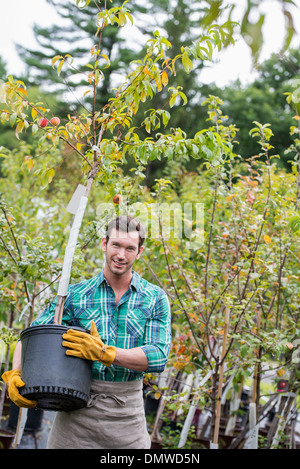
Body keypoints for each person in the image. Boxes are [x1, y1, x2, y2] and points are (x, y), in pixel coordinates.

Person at [2, 215, 171, 449]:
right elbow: (32, 336)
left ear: (139, 252)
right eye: (116, 245)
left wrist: (106, 353)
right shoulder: (77, 295)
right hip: (76, 418)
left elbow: (158, 356)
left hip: (127, 419)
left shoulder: (154, 298)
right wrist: (16, 373)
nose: (121, 255)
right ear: (104, 244)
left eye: (130, 248)